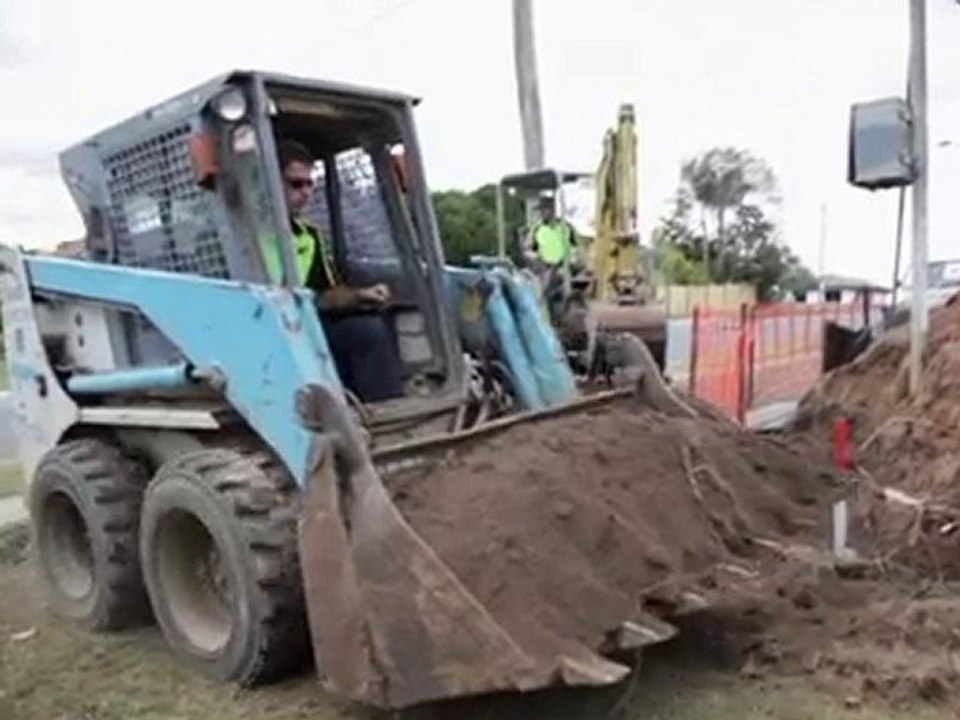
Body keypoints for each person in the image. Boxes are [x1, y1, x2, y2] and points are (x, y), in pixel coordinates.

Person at [272, 140, 405, 403]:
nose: (306, 192)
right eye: (296, 184)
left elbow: (325, 295)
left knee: (374, 322)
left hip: (305, 327)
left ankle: (378, 406)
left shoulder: (310, 237)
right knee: (365, 333)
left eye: (309, 184)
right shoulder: (243, 237)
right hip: (268, 331)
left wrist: (360, 295)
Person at [524, 195, 580, 323]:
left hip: (564, 266)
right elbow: (528, 249)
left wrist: (571, 260)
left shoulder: (566, 227)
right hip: (544, 267)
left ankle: (561, 316)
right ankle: (546, 316)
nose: (542, 213)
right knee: (543, 285)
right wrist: (536, 258)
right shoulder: (537, 229)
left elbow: (576, 247)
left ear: (552, 210)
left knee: (559, 282)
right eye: (541, 211)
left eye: (545, 210)